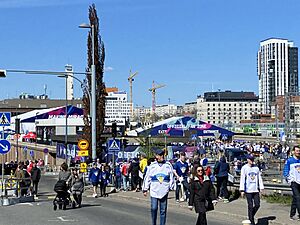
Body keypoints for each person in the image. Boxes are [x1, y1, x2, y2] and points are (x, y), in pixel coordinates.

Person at [142, 149, 174, 225]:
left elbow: (171, 176)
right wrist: (145, 188)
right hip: (154, 190)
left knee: (163, 210)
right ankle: (154, 223)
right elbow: (148, 177)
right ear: (156, 156)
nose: (162, 156)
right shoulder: (152, 166)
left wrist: (171, 186)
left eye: (162, 155)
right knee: (154, 208)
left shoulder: (168, 165)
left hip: (164, 190)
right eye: (160, 155)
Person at [239, 155, 264, 225]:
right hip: (248, 190)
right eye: (250, 160)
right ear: (247, 160)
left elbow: (259, 178)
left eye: (252, 160)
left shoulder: (256, 168)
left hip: (255, 189)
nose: (252, 161)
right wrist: (242, 190)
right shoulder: (244, 168)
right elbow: (242, 179)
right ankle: (251, 221)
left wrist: (261, 187)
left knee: (257, 204)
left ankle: (251, 215)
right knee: (250, 205)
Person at [283, 145, 300, 220]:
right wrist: (289, 179)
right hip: (294, 182)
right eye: (297, 151)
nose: (298, 152)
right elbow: (285, 171)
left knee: (295, 199)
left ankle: (292, 214)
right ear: (293, 152)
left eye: (299, 151)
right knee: (298, 197)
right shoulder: (289, 161)